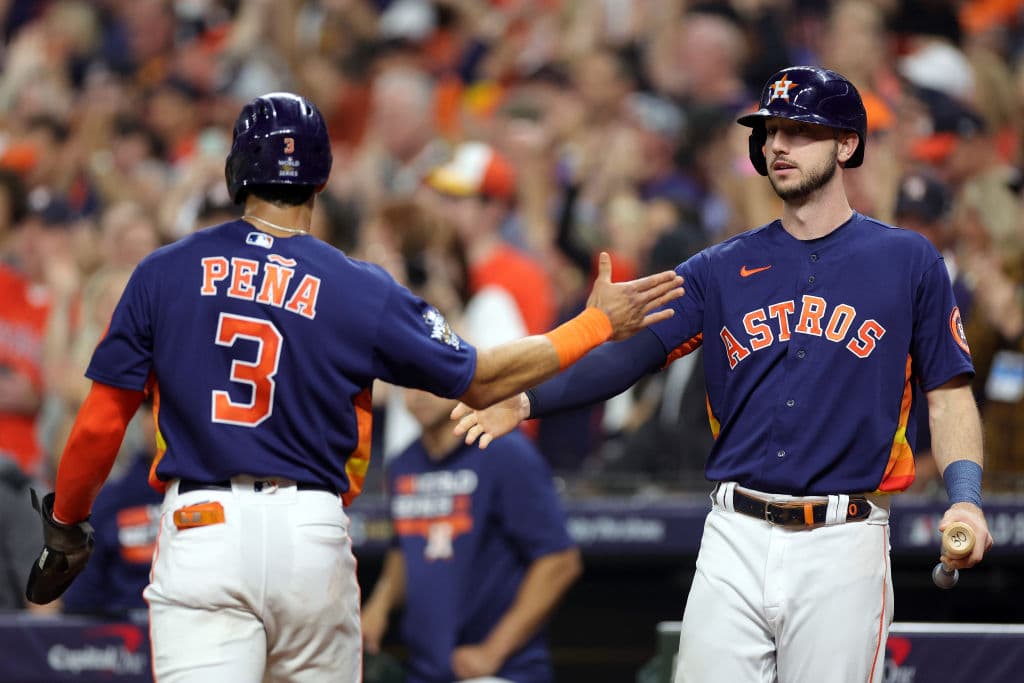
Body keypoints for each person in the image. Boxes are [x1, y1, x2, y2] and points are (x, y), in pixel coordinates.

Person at [23, 92, 683, 682]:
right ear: (319, 181)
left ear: (234, 173)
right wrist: (594, 324)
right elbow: (482, 380)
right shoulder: (355, 285)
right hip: (308, 531)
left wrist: (66, 527)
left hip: (203, 526)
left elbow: (101, 423)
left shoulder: (162, 272)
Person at [451, 67, 995, 683]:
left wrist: (968, 502)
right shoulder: (721, 267)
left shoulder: (907, 261)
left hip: (842, 539)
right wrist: (525, 400)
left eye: (801, 130)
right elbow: (628, 357)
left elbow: (949, 395)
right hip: (733, 532)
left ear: (847, 144)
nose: (779, 145)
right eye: (770, 132)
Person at [361, 387, 581, 683]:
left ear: (462, 383)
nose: (419, 394)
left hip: (503, 672)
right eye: (409, 384)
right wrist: (379, 606)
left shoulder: (505, 451)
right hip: (424, 669)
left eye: (431, 383)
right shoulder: (403, 464)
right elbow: (406, 546)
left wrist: (493, 651)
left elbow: (560, 561)